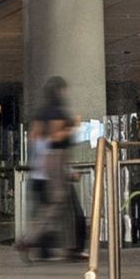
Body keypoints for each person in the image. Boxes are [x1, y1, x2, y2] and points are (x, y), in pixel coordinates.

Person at [21, 77, 80, 261]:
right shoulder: (56, 112)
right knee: (57, 202)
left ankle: (70, 248)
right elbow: (55, 137)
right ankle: (29, 239)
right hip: (55, 159)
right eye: (64, 90)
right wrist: (72, 127)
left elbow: (34, 138)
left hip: (44, 163)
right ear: (59, 91)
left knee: (65, 205)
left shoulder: (41, 113)